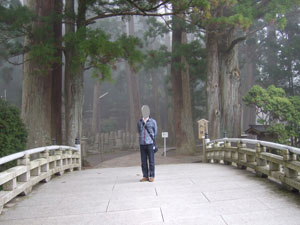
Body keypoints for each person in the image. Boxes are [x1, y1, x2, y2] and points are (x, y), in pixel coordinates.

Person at [137, 105, 157, 182]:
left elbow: (155, 132)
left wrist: (151, 139)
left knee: (151, 160)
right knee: (143, 161)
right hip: (142, 144)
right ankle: (145, 176)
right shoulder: (139, 122)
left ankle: (151, 176)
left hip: (150, 143)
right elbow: (139, 131)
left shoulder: (153, 121)